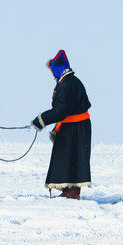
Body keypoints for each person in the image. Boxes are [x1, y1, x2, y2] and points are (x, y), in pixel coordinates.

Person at [31, 50, 92, 200]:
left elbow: (62, 110)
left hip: (76, 128)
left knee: (73, 157)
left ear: (58, 68)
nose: (52, 74)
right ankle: (66, 190)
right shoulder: (65, 82)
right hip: (70, 127)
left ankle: (72, 192)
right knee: (65, 157)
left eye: (53, 71)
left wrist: (42, 119)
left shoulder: (69, 84)